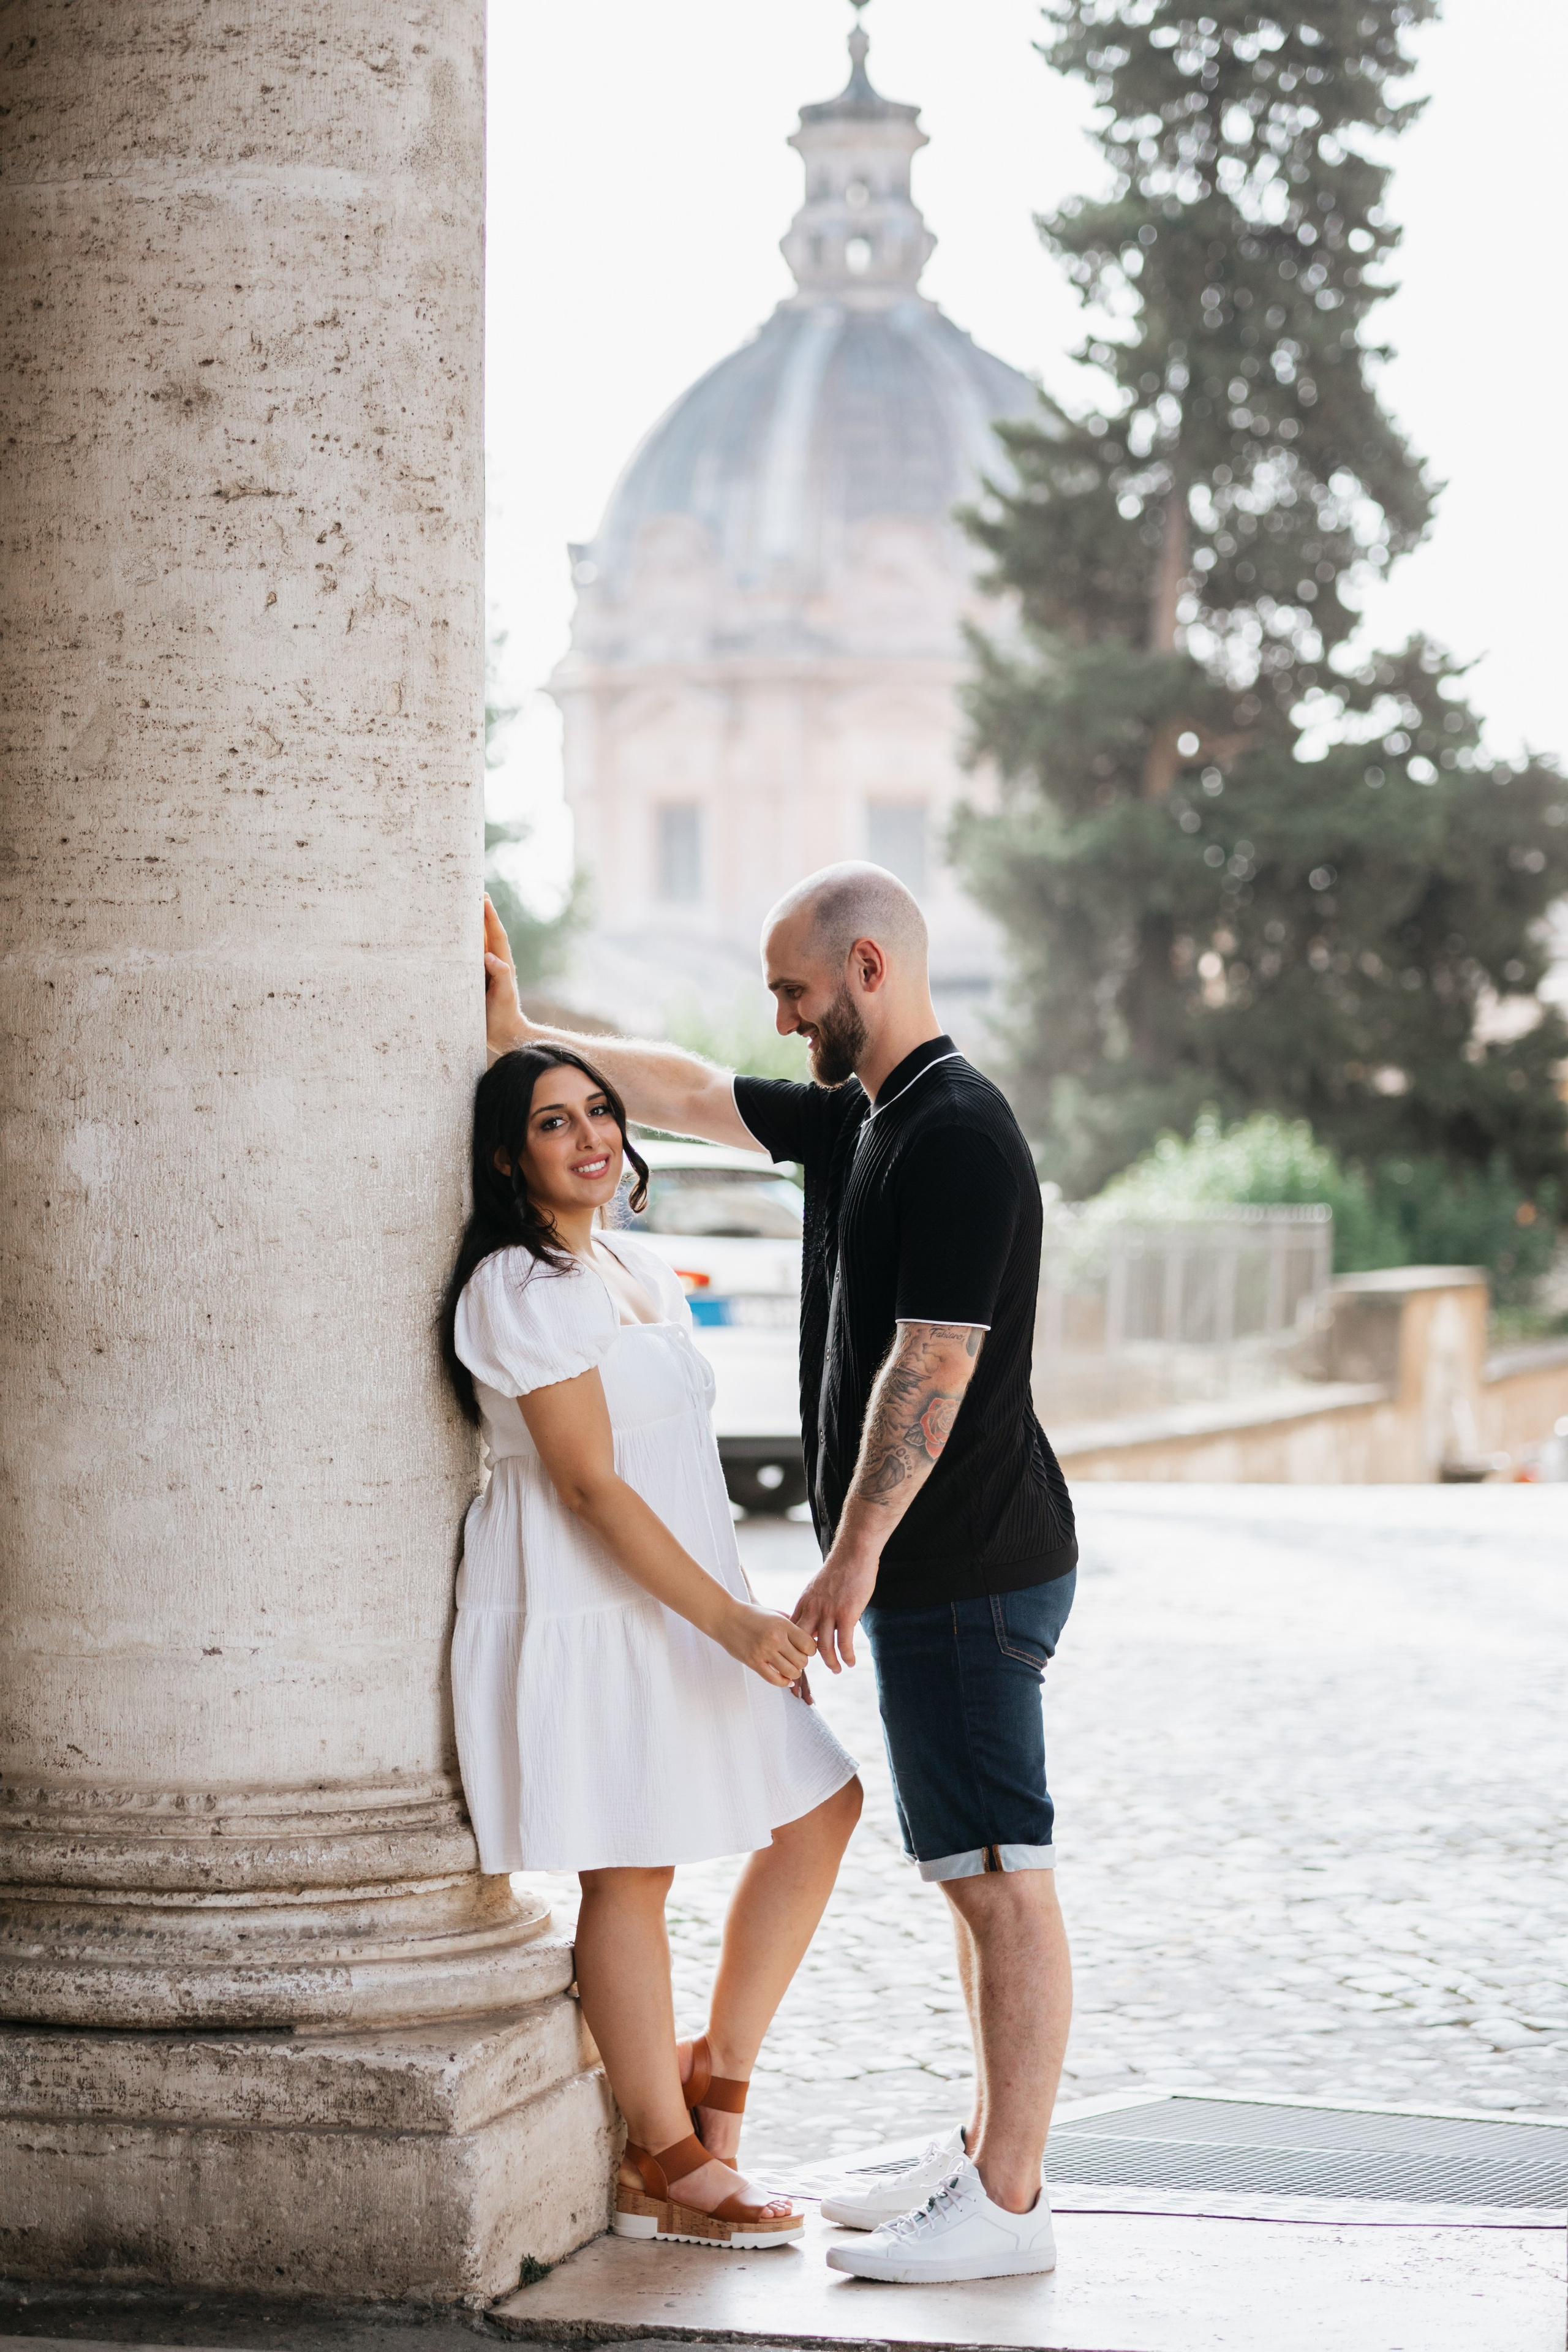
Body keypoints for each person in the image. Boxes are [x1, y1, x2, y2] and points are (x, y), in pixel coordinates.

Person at [482, 864, 1076, 2285]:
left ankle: (1008, 2198)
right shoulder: (864, 1117)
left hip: (966, 1565)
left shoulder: (956, 1134)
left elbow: (929, 1368)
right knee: (965, 1869)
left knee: (1001, 1879)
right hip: (946, 1571)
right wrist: (521, 1032)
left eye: (793, 991)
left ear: (865, 967)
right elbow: (683, 1093)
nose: (779, 1014)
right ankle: (980, 2157)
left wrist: (848, 1561)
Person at [439, 1042, 862, 2252]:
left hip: (674, 1595)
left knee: (819, 1804)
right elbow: (584, 1485)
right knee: (629, 1870)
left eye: (602, 1113)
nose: (591, 1137)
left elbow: (672, 1469)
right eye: (553, 1123)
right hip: (585, 1602)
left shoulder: (628, 1266)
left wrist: (731, 1603)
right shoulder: (515, 1288)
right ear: (507, 1159)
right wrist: (728, 1622)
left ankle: (711, 2076)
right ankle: (666, 2157)